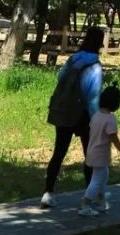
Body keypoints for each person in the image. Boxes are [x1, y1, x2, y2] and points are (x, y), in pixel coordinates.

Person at [40, 26, 105, 207]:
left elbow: (60, 77)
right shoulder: (95, 66)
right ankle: (89, 195)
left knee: (59, 152)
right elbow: (92, 98)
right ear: (100, 43)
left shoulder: (73, 59)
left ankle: (48, 193)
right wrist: (96, 120)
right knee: (89, 155)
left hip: (65, 111)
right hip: (83, 115)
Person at [78, 84, 120, 217]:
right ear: (116, 103)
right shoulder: (110, 119)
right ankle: (86, 204)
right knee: (97, 180)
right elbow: (115, 139)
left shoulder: (96, 116)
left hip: (92, 152)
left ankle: (101, 200)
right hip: (100, 155)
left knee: (103, 176)